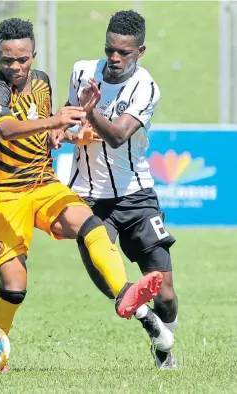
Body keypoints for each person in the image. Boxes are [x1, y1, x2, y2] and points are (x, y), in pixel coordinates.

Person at [0, 17, 164, 371]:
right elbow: (6, 129)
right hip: (7, 194)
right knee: (14, 287)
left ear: (33, 54)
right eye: (7, 60)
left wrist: (64, 135)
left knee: (90, 223)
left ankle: (125, 291)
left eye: (22, 59)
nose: (15, 67)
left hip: (44, 183)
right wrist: (53, 122)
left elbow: (48, 131)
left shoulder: (43, 82)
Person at [57, 10, 178, 369]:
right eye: (109, 49)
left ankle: (163, 346)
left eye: (123, 53)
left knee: (166, 292)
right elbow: (69, 111)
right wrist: (60, 128)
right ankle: (143, 315)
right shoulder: (82, 70)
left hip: (136, 195)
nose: (114, 58)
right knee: (103, 268)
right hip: (86, 195)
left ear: (139, 51)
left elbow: (117, 136)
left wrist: (90, 112)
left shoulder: (146, 86)